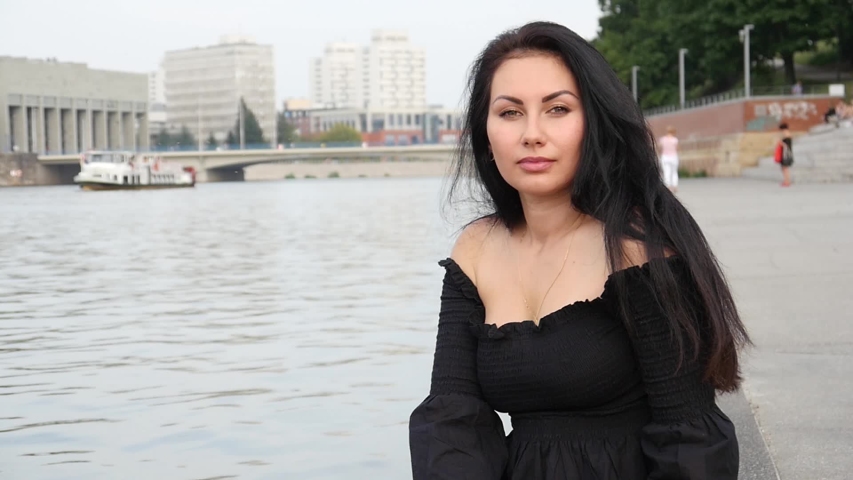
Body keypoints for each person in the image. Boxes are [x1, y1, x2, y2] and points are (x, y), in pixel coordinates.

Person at [409, 21, 750, 480]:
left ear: (594, 122)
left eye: (557, 109)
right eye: (510, 113)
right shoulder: (476, 248)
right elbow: (453, 424)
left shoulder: (638, 249)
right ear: (485, 133)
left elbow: (690, 446)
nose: (532, 134)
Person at [657, 126, 680, 192]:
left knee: (667, 171)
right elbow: (677, 149)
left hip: (665, 157)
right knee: (674, 172)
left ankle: (668, 186)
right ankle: (675, 186)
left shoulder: (663, 139)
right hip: (673, 157)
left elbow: (659, 147)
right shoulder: (675, 140)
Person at [775, 123, 794, 187]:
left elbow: (786, 146)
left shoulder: (787, 135)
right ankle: (786, 181)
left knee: (785, 168)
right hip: (786, 153)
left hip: (786, 154)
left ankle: (787, 181)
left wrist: (780, 142)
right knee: (784, 168)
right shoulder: (787, 135)